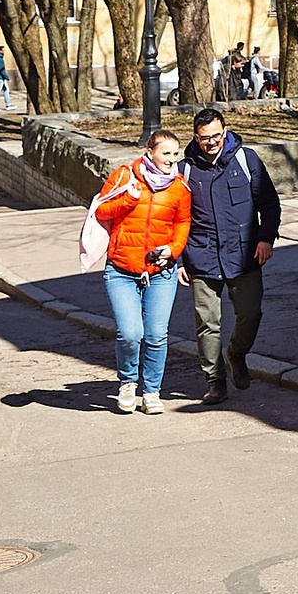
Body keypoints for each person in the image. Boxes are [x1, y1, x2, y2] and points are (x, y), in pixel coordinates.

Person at [179, 106, 280, 405]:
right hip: (201, 256)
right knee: (207, 323)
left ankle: (236, 353)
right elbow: (174, 218)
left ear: (225, 131)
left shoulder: (246, 160)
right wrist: (179, 260)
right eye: (204, 137)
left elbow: (269, 204)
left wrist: (265, 239)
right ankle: (215, 382)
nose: (211, 142)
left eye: (216, 135)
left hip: (244, 254)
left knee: (250, 313)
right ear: (195, 137)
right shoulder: (185, 170)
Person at [93, 130, 192, 415]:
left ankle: (151, 391)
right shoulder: (125, 176)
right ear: (150, 152)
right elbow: (101, 210)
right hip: (122, 270)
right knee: (130, 333)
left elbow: (183, 222)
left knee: (157, 335)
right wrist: (128, 200)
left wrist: (173, 250)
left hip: (161, 272)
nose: (171, 159)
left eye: (175, 154)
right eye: (166, 153)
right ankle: (127, 382)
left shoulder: (180, 187)